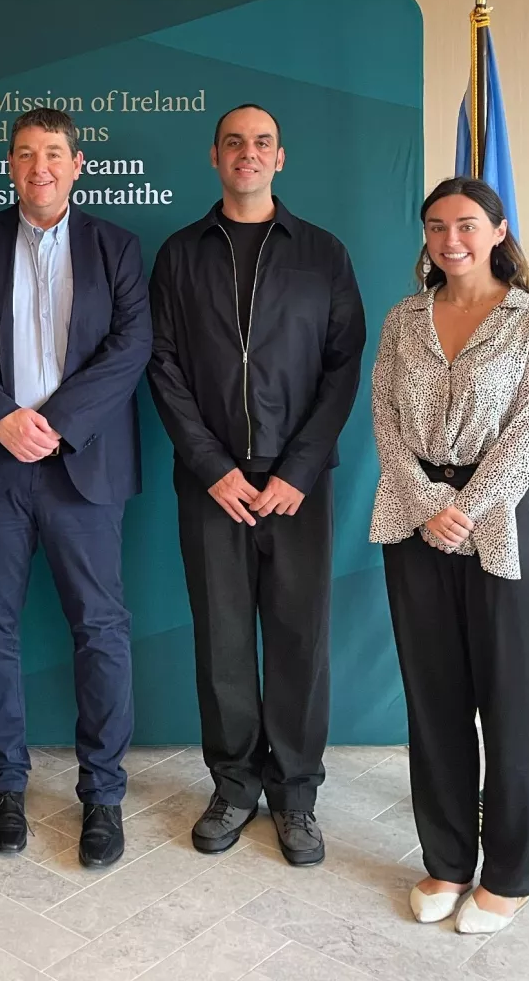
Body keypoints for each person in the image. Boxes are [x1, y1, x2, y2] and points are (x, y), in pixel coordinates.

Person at [148, 103, 366, 867]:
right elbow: (163, 366)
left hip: (297, 487)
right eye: (234, 142)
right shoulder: (178, 254)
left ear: (282, 157)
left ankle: (297, 794)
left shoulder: (323, 254)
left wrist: (298, 470)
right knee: (224, 641)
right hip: (213, 486)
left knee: (301, 640)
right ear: (214, 157)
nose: (249, 153)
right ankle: (235, 784)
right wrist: (213, 469)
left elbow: (343, 369)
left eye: (262, 142)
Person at [0, 107, 152, 868]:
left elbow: (133, 347)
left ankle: (102, 795)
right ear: (9, 165)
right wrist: (1, 417)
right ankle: (3, 785)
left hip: (82, 467)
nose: (40, 168)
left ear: (77, 163)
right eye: (25, 155)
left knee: (100, 629)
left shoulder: (116, 247)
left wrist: (54, 422)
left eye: (53, 155)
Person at [370, 178, 529, 934]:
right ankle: (447, 861)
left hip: (505, 524)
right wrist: (430, 509)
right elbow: (385, 423)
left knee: (511, 704)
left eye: (465, 225)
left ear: (496, 231)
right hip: (416, 524)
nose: (450, 239)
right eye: (435, 226)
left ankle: (511, 873)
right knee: (436, 702)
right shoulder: (402, 321)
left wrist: (467, 511)